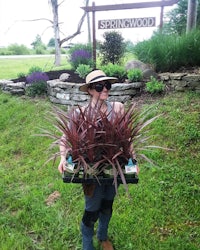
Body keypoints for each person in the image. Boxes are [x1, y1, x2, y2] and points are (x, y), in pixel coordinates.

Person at [57, 69, 137, 250]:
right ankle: (87, 245)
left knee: (108, 204)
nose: (105, 89)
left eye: (107, 85)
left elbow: (127, 138)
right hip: (91, 169)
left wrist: (133, 159)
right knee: (92, 209)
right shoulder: (80, 113)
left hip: (114, 166)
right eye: (99, 86)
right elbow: (65, 137)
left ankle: (102, 236)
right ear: (90, 90)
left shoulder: (118, 108)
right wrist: (63, 158)